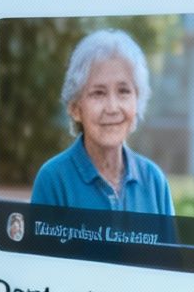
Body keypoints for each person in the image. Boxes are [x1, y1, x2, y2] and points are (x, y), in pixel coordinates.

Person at [29, 29, 174, 216]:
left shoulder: (154, 181)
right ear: (75, 108)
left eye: (123, 91)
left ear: (137, 102)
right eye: (98, 93)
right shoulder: (53, 179)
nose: (112, 108)